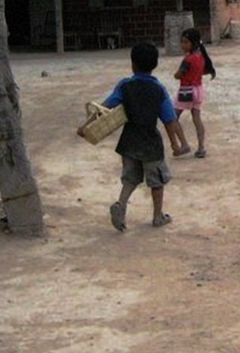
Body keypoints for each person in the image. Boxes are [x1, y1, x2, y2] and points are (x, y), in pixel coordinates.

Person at [78, 42, 183, 232]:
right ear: (155, 64)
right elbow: (169, 120)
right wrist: (176, 145)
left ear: (132, 64)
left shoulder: (125, 85)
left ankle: (121, 204)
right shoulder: (159, 89)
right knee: (156, 182)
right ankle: (158, 216)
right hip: (151, 143)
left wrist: (85, 126)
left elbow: (104, 108)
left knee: (130, 179)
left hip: (129, 141)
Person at [170, 27, 216, 159]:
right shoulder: (201, 56)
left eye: (185, 42)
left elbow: (178, 75)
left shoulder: (188, 59)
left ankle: (183, 144)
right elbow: (205, 71)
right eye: (182, 42)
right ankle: (201, 147)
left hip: (186, 91)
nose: (182, 45)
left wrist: (178, 75)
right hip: (199, 90)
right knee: (197, 119)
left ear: (193, 43)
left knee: (172, 117)